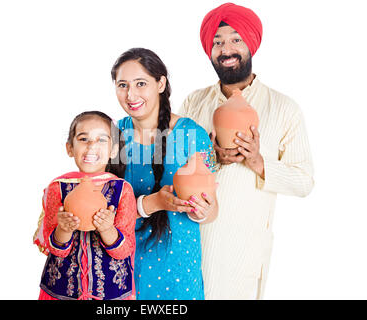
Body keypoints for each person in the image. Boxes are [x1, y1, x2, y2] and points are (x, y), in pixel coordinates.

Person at [179, 3, 314, 299]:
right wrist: (212, 158)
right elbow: (170, 164)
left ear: (251, 44)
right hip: (185, 242)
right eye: (218, 42)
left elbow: (304, 181)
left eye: (235, 39)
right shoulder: (193, 103)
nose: (226, 49)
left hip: (240, 253)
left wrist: (257, 162)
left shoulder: (283, 108)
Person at [111, 47, 219, 300]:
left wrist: (204, 211)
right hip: (121, 267)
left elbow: (213, 209)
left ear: (161, 83)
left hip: (178, 271)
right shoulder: (111, 135)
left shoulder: (191, 135)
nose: (131, 94)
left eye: (140, 83)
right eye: (122, 85)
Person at [33, 111, 137, 300]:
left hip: (111, 294)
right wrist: (63, 230)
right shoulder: (58, 188)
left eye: (101, 140)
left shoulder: (123, 191)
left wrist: (107, 229)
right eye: (83, 139)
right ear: (70, 148)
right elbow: (54, 249)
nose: (91, 146)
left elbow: (124, 251)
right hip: (61, 291)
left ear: (114, 150)